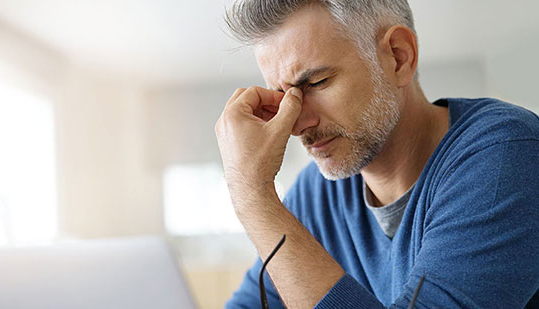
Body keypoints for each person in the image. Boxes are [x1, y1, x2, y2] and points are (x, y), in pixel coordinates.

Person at [215, 0, 539, 307]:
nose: (297, 124)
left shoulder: (507, 153)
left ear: (399, 57)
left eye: (317, 82)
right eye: (282, 97)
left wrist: (252, 194)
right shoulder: (314, 195)